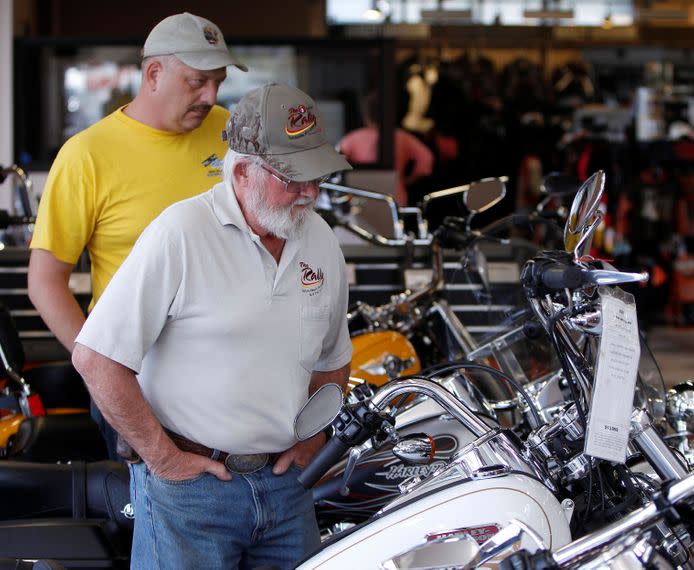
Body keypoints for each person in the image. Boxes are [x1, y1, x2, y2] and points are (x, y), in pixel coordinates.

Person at [71, 82, 353, 569]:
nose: (310, 192)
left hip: (287, 489)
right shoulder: (180, 232)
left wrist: (313, 438)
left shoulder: (320, 238)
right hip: (191, 494)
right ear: (243, 172)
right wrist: (162, 458)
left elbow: (333, 358)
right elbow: (96, 357)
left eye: (318, 176)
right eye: (294, 178)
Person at [27, 12, 247, 457]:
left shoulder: (231, 133)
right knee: (161, 516)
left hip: (236, 372)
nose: (211, 95)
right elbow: (45, 282)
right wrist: (105, 372)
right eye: (197, 81)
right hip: (143, 384)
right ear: (153, 73)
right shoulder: (87, 155)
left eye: (218, 82)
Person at [338, 91, 433, 207]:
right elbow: (427, 158)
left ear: (366, 115)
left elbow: (336, 162)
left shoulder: (353, 138)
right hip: (395, 195)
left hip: (361, 197)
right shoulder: (401, 136)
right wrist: (407, 179)